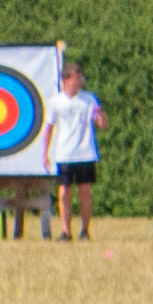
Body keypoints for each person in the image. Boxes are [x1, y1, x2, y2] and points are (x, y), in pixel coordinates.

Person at [55, 75, 107, 240]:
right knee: (64, 193)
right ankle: (65, 231)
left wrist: (101, 116)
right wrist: (45, 154)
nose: (79, 83)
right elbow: (49, 127)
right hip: (64, 154)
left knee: (84, 193)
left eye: (80, 80)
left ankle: (85, 230)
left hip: (86, 153)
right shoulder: (56, 101)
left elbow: (102, 124)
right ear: (66, 80)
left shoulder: (89, 99)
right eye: (75, 80)